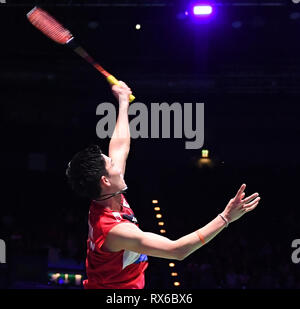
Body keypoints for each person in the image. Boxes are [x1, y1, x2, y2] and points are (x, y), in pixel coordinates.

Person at [66, 81, 261, 289]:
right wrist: (226, 218)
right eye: (111, 164)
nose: (117, 163)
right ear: (105, 181)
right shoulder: (114, 230)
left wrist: (123, 102)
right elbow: (176, 250)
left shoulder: (107, 192)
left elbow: (120, 145)